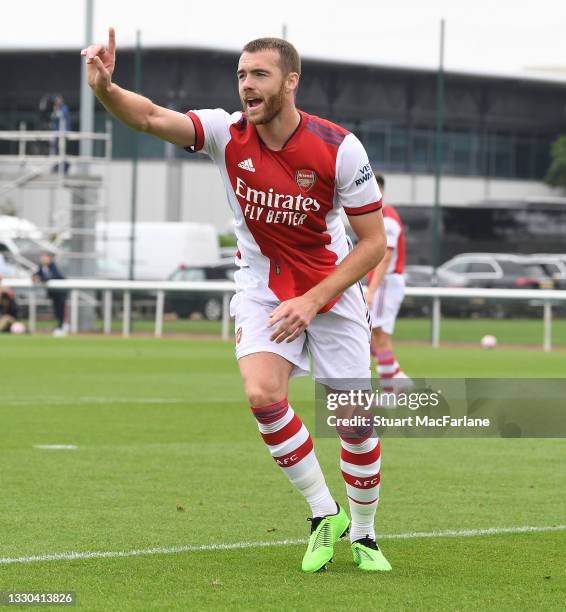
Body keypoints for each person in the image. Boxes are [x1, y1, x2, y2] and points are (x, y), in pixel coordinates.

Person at [82, 29, 391, 573]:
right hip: (261, 287)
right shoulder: (227, 132)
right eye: (242, 75)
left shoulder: (339, 148)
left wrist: (314, 301)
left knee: (354, 424)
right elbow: (151, 117)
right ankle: (324, 514)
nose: (247, 85)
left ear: (290, 82)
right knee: (262, 394)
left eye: (260, 75)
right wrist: (107, 89)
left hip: (330, 290)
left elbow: (373, 244)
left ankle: (364, 535)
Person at [366, 173, 411, 390]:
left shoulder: (388, 219)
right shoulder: (379, 217)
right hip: (384, 284)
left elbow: (385, 258)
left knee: (379, 337)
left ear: (380, 191)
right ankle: (397, 377)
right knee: (373, 336)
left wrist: (372, 291)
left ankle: (391, 392)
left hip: (386, 284)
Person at [33, 252, 67, 334]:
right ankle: (60, 327)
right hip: (53, 293)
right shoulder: (41, 266)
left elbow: (53, 276)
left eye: (45, 258)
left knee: (60, 310)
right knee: (56, 310)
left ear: (49, 259)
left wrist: (40, 278)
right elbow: (37, 274)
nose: (43, 259)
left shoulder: (53, 266)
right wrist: (34, 277)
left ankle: (62, 327)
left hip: (60, 292)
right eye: (42, 257)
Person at [51, 94, 71, 174]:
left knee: (62, 151)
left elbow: (60, 115)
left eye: (59, 99)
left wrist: (56, 111)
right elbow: (53, 119)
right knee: (56, 151)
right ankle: (58, 167)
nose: (57, 101)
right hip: (56, 134)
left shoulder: (64, 108)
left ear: (62, 99)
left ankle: (65, 167)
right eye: (56, 99)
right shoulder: (56, 108)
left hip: (63, 134)